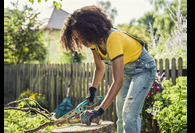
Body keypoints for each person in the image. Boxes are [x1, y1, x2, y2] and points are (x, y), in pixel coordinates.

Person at [60, 5, 156, 133]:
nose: (80, 41)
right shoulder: (94, 43)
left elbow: (118, 81)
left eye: (81, 37)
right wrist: (92, 91)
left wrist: (99, 110)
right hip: (127, 71)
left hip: (144, 69)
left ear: (90, 29)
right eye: (77, 39)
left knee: (129, 114)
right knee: (121, 117)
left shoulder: (113, 38)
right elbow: (100, 68)